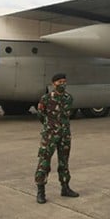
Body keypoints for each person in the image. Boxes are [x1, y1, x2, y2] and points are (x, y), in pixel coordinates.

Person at [34, 73, 79, 204]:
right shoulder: (46, 98)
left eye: (64, 81)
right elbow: (40, 116)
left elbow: (67, 114)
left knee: (64, 162)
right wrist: (50, 127)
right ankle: (40, 191)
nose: (62, 84)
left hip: (65, 135)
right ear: (54, 83)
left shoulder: (68, 98)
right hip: (50, 135)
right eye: (60, 82)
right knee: (44, 162)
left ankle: (65, 187)